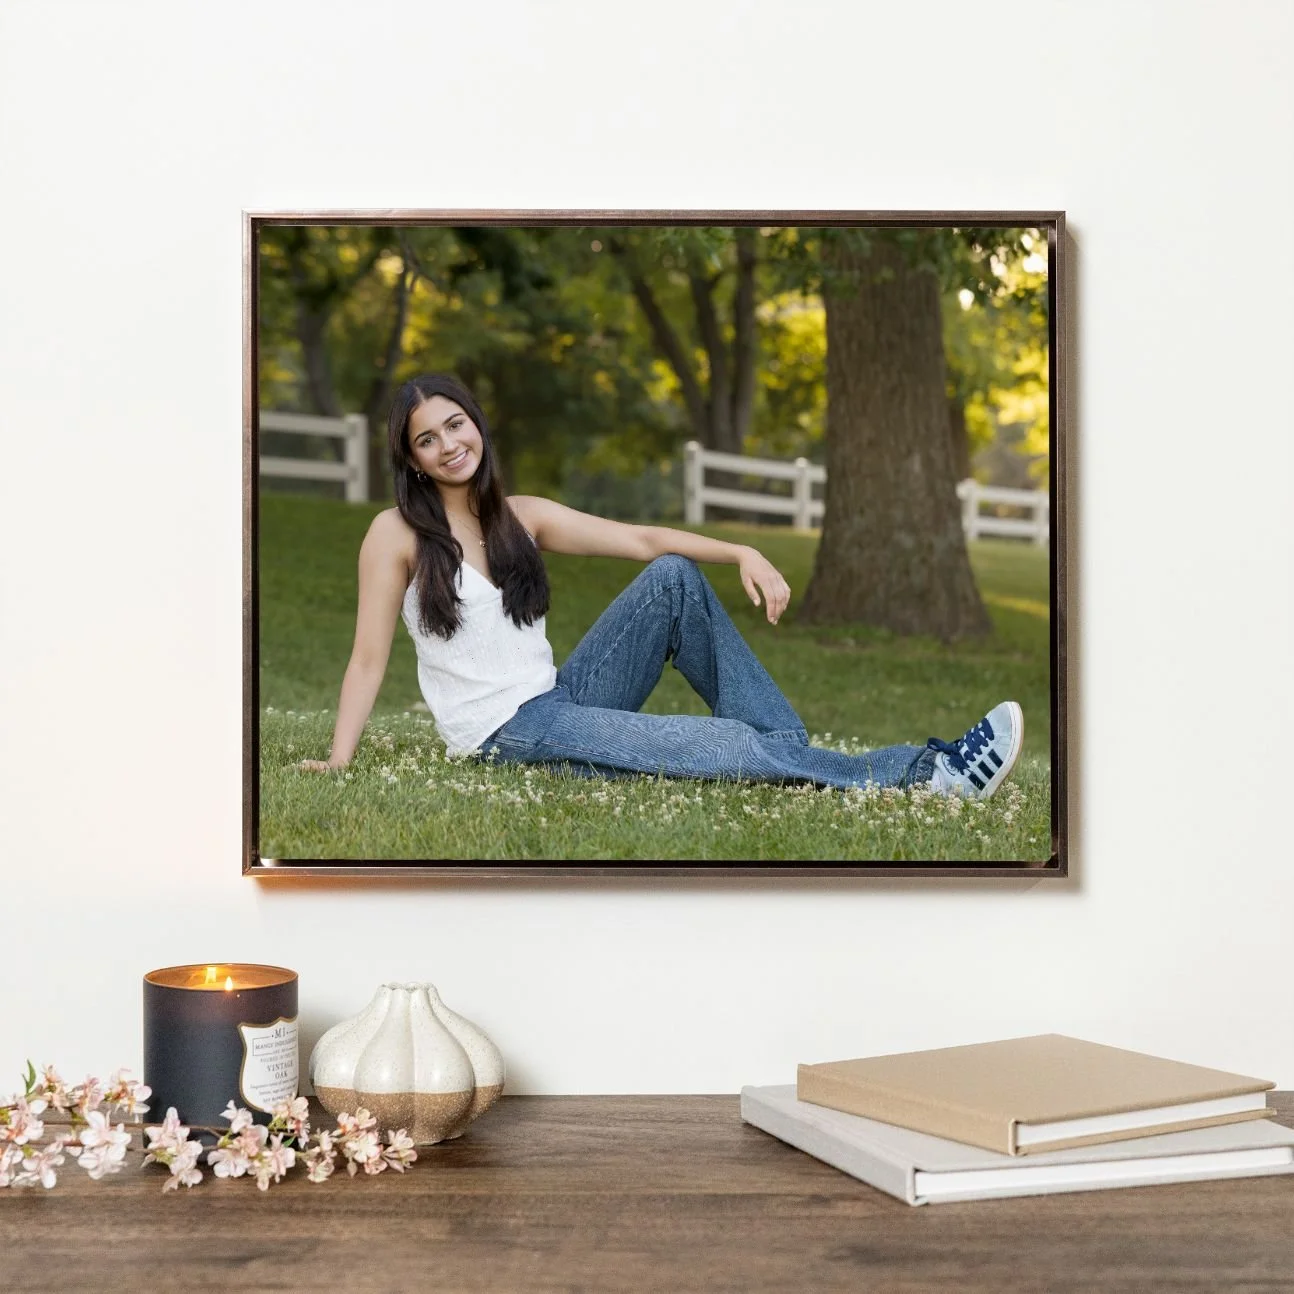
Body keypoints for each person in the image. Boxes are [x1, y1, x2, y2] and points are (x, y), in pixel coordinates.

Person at [299, 373, 1022, 798]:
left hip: (561, 699)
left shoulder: (523, 517)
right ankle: (931, 775)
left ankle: (786, 751)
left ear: (476, 426)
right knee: (728, 747)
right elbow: (367, 659)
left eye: (455, 425)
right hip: (508, 734)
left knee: (672, 578)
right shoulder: (394, 536)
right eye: (427, 438)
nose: (448, 444)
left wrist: (740, 548)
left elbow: (646, 542)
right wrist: (338, 756)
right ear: (413, 458)